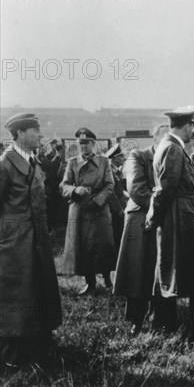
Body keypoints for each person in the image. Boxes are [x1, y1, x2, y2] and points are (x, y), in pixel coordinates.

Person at [0, 113, 62, 365]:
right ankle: (12, 352)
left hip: (37, 241)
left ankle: (37, 344)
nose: (40, 135)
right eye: (35, 130)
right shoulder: (5, 165)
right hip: (13, 245)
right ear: (20, 134)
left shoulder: (33, 162)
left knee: (38, 290)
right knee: (17, 296)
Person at [145, 106, 194, 333]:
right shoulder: (173, 148)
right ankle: (184, 322)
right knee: (185, 268)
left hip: (181, 215)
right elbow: (166, 187)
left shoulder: (171, 146)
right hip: (181, 218)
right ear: (185, 126)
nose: (193, 130)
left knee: (174, 268)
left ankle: (170, 321)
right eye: (192, 126)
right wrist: (154, 217)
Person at [114, 124, 169, 336]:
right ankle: (136, 319)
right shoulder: (138, 156)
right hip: (139, 217)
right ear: (154, 139)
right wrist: (158, 209)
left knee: (159, 270)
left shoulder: (173, 159)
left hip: (161, 220)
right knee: (137, 271)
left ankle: (159, 318)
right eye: (163, 137)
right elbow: (136, 189)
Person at [60, 127, 116, 295]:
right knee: (83, 249)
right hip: (80, 211)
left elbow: (110, 185)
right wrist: (75, 190)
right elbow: (63, 185)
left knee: (102, 246)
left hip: (99, 211)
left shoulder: (104, 161)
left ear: (93, 143)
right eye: (80, 144)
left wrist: (98, 201)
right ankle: (89, 283)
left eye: (86, 143)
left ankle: (107, 279)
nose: (83, 147)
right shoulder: (72, 162)